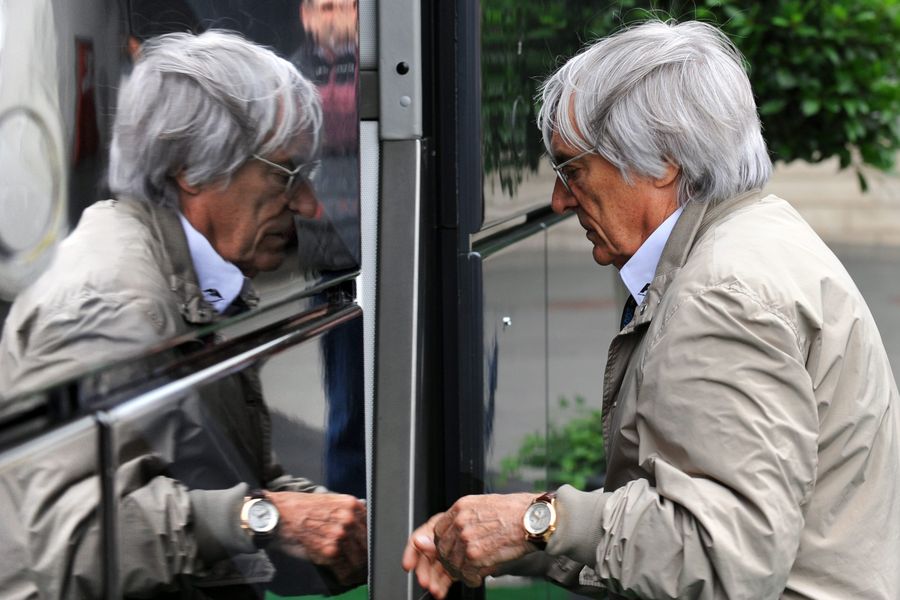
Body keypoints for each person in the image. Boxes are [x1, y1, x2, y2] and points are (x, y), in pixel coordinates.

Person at [403, 19, 900, 600]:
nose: (560, 199)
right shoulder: (755, 232)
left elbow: (721, 560)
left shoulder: (720, 295)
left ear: (662, 161)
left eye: (572, 169)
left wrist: (538, 522)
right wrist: (530, 539)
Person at [0, 31, 365, 598]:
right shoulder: (109, 304)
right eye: (286, 175)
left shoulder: (181, 275)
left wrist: (339, 527)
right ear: (192, 169)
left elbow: (227, 480)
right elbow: (74, 544)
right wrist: (266, 518)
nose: (308, 204)